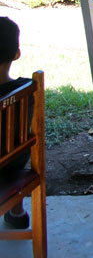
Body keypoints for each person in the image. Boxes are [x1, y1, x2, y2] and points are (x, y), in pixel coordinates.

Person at [0, 17, 35, 229]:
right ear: (16, 54)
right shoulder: (27, 90)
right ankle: (16, 209)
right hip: (13, 166)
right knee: (11, 146)